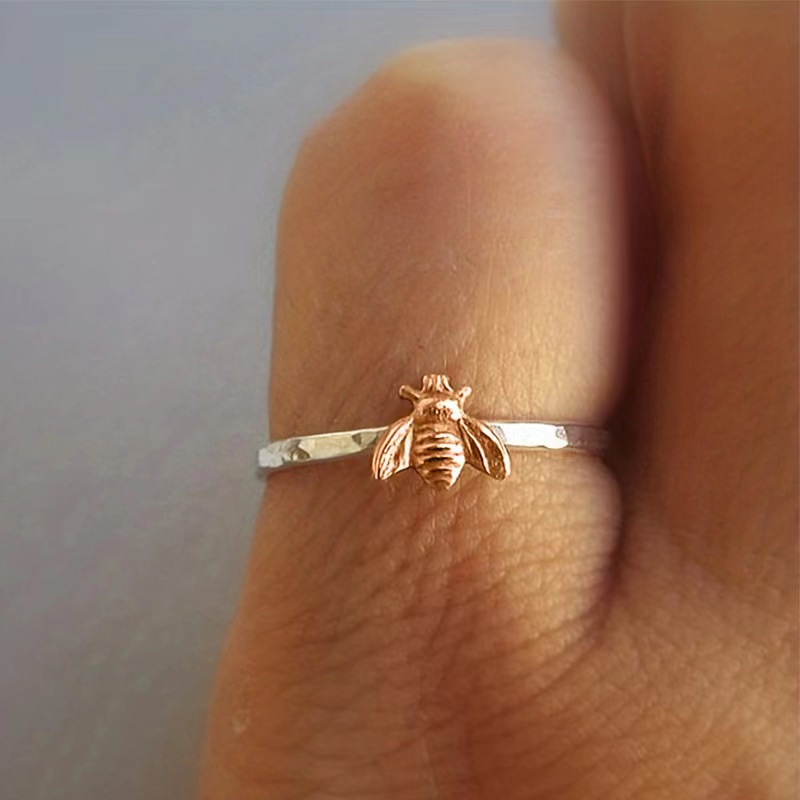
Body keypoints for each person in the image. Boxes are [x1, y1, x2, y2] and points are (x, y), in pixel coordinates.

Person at [199, 3, 798, 797]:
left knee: (461, 134)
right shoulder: (443, 428)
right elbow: (437, 447)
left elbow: (419, 447)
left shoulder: (427, 426)